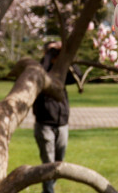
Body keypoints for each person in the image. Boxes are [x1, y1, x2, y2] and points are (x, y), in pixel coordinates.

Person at [32, 41, 79, 193]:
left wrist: (66, 56)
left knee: (58, 163)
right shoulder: (40, 70)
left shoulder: (61, 72)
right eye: (51, 51)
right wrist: (49, 55)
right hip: (44, 123)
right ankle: (49, 192)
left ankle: (48, 189)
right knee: (48, 163)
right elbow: (39, 75)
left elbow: (77, 75)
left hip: (62, 123)